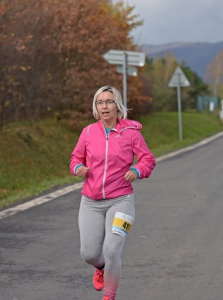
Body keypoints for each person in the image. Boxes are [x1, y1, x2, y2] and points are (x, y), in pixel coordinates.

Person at [70, 86, 156, 300]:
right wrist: (77, 168)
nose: (104, 106)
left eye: (108, 101)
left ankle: (110, 295)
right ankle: (100, 267)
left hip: (122, 201)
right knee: (89, 254)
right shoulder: (88, 132)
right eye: (100, 102)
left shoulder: (132, 133)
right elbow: (75, 159)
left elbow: (148, 159)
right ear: (95, 108)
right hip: (91, 201)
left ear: (118, 106)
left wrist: (137, 170)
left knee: (112, 250)